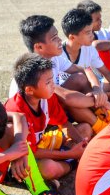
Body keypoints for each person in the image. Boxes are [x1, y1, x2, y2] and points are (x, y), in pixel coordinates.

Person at [9, 15, 110, 136]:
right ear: (39, 47)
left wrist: (96, 88)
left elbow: (85, 70)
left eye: (57, 35)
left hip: (54, 112)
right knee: (75, 107)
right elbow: (67, 97)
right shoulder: (35, 73)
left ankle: (102, 117)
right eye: (54, 38)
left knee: (79, 78)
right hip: (37, 128)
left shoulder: (54, 58)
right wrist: (101, 100)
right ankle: (103, 128)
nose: (59, 40)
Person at [5, 53, 91, 181]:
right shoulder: (17, 111)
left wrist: (82, 143)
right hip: (24, 156)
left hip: (41, 144)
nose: (53, 85)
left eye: (53, 79)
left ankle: (73, 158)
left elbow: (64, 124)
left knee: (85, 129)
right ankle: (72, 162)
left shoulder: (47, 98)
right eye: (48, 82)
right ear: (29, 90)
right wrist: (70, 154)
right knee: (48, 168)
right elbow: (31, 151)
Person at [61, 8, 110, 103]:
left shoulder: (89, 48)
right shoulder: (58, 53)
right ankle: (107, 96)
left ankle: (106, 97)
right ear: (72, 37)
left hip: (91, 88)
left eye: (92, 31)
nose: (92, 35)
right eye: (88, 33)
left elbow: (106, 72)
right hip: (69, 94)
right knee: (80, 80)